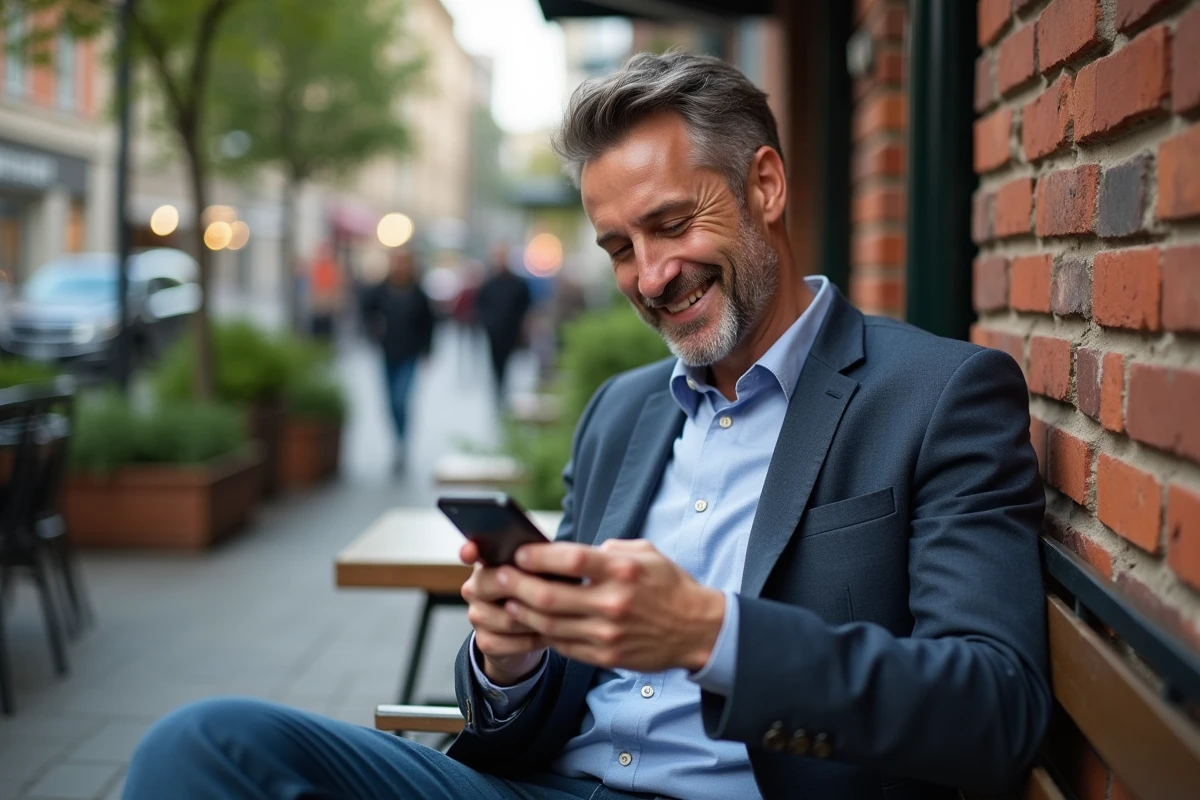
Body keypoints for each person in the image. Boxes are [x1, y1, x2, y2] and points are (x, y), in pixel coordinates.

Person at [125, 52, 1049, 800]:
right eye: (618, 248)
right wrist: (510, 659)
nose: (650, 277)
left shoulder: (938, 394)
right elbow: (534, 707)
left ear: (764, 185)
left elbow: (997, 710)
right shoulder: (623, 411)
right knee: (206, 746)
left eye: (672, 224)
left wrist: (709, 634)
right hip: (548, 785)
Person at [360, 248, 434, 471]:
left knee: (402, 398)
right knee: (390, 400)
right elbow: (365, 309)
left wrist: (427, 349)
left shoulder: (418, 292)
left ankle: (402, 442)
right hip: (388, 352)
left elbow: (429, 322)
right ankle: (396, 439)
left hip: (410, 353)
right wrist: (372, 330)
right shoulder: (382, 290)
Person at [476, 243, 532, 404]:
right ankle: (498, 389)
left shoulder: (518, 284)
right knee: (496, 363)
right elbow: (481, 305)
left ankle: (505, 390)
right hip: (494, 332)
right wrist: (488, 322)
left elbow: (525, 306)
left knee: (509, 363)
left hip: (512, 331)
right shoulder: (489, 283)